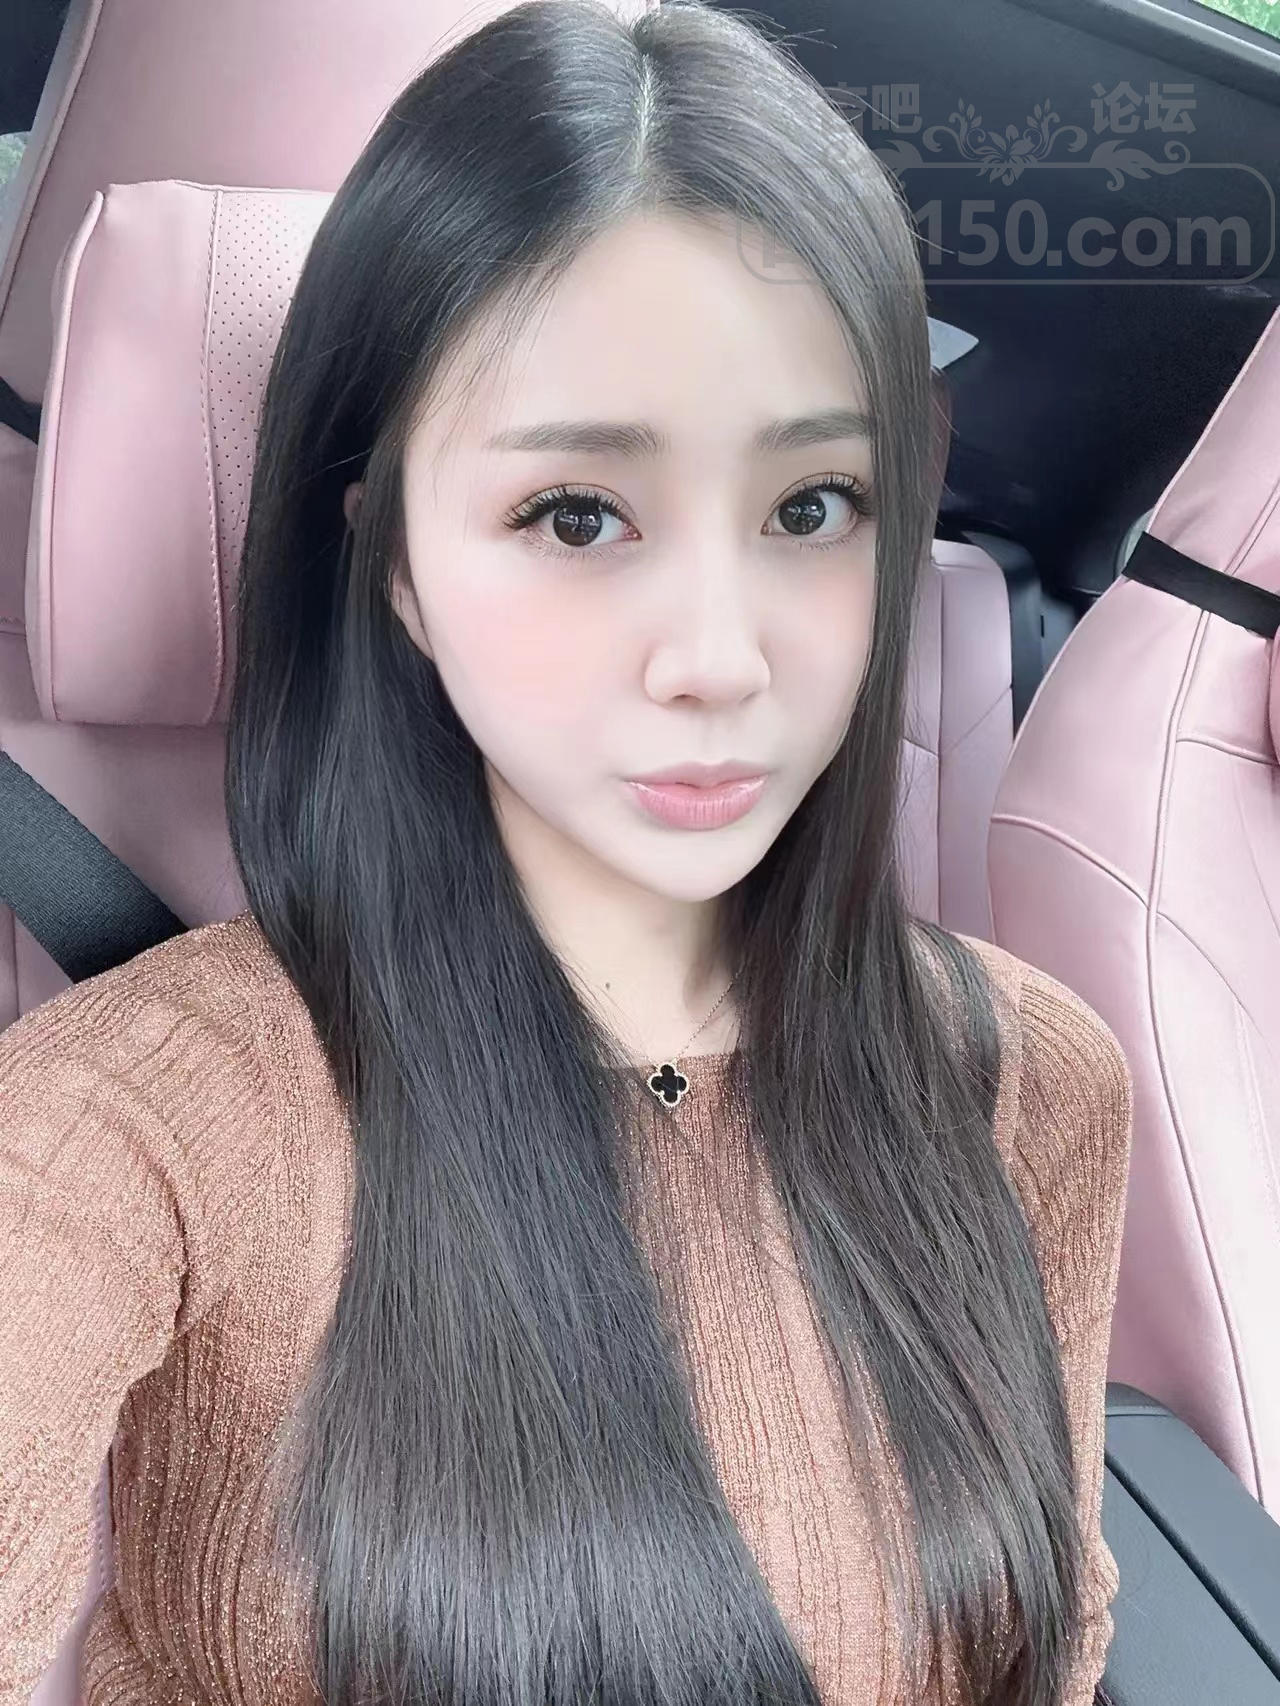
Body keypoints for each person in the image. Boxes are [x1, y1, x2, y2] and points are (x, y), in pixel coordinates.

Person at [0, 1, 1133, 1702]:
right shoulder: (125, 1130)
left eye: (811, 506)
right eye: (578, 515)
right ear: (395, 564)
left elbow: (1054, 1641)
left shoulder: (1026, 1074)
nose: (721, 658)